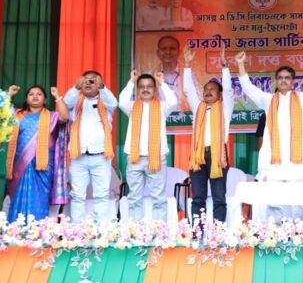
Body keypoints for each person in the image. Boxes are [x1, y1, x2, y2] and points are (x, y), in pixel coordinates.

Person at [235, 51, 303, 222]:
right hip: (274, 161)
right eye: (280, 78)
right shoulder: (267, 100)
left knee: (298, 200)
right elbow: (249, 89)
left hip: (297, 163)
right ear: (276, 81)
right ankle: (275, 232)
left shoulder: (302, 99)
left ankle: (298, 230)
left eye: (287, 78)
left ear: (292, 81)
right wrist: (240, 65)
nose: (283, 81)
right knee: (274, 200)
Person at [182, 46, 233, 227]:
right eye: (206, 89)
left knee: (219, 197)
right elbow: (188, 90)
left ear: (219, 94)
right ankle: (197, 232)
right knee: (198, 197)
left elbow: (229, 90)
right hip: (198, 156)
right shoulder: (198, 107)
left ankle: (218, 233)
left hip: (218, 155)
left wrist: (224, 66)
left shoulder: (225, 107)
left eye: (212, 89)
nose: (208, 92)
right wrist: (187, 65)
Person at [118, 71, 178, 221]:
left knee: (159, 198)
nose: (145, 89)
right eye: (142, 87)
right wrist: (131, 81)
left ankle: (159, 231)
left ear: (155, 89)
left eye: (149, 86)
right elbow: (122, 101)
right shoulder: (132, 107)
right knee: (134, 198)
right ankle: (135, 231)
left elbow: (173, 102)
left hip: (156, 158)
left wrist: (162, 82)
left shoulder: (162, 107)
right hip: (135, 158)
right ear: (137, 90)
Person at [5, 85, 69, 222]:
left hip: (42, 165)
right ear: (26, 99)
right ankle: (15, 228)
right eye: (31, 94)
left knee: (40, 197)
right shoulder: (17, 115)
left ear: (45, 99)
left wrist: (58, 97)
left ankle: (38, 229)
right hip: (19, 165)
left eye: (39, 94)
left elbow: (65, 117)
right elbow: (2, 114)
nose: (35, 96)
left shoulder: (51, 116)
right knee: (17, 196)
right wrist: (9, 95)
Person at [64, 70, 118, 222]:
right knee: (77, 195)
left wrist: (102, 88)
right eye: (85, 80)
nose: (88, 83)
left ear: (99, 83)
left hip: (101, 156)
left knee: (101, 195)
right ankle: (77, 230)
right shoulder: (75, 101)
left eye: (92, 80)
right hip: (78, 157)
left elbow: (114, 103)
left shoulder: (106, 102)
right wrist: (75, 88)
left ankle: (100, 229)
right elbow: (65, 103)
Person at [155, 35, 199, 111]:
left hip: (185, 117)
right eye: (163, 49)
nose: (168, 52)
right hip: (159, 117)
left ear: (179, 52)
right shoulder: (152, 75)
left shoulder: (188, 74)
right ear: (158, 53)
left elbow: (197, 99)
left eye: (172, 48)